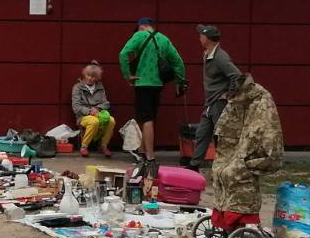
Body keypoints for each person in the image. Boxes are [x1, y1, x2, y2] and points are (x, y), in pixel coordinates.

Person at [209, 74, 284, 225]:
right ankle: (224, 220)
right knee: (220, 172)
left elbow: (269, 134)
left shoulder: (260, 100)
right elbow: (222, 131)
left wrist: (249, 160)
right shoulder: (233, 104)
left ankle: (240, 221)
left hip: (248, 154)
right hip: (231, 152)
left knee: (235, 174)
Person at [119, 16, 187, 165]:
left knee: (146, 119)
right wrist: (180, 81)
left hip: (142, 83)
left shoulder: (139, 36)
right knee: (148, 118)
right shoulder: (163, 39)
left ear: (141, 27)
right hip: (157, 84)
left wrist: (127, 75)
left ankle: (150, 156)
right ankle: (142, 151)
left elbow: (123, 54)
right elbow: (178, 62)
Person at [187, 24, 244, 170]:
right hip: (210, 103)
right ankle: (194, 165)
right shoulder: (207, 54)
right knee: (202, 133)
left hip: (218, 103)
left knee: (221, 137)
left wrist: (229, 94)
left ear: (208, 38)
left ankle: (225, 166)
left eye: (202, 35)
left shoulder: (220, 57)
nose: (199, 37)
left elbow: (237, 76)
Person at [70, 62, 116, 158]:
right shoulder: (77, 87)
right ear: (84, 75)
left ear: (97, 78)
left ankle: (103, 145)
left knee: (111, 120)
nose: (90, 78)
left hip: (98, 113)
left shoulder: (100, 87)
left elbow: (106, 103)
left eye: (93, 76)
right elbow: (76, 107)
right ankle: (84, 146)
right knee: (94, 122)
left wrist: (97, 109)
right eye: (88, 75)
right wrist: (90, 111)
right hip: (83, 116)